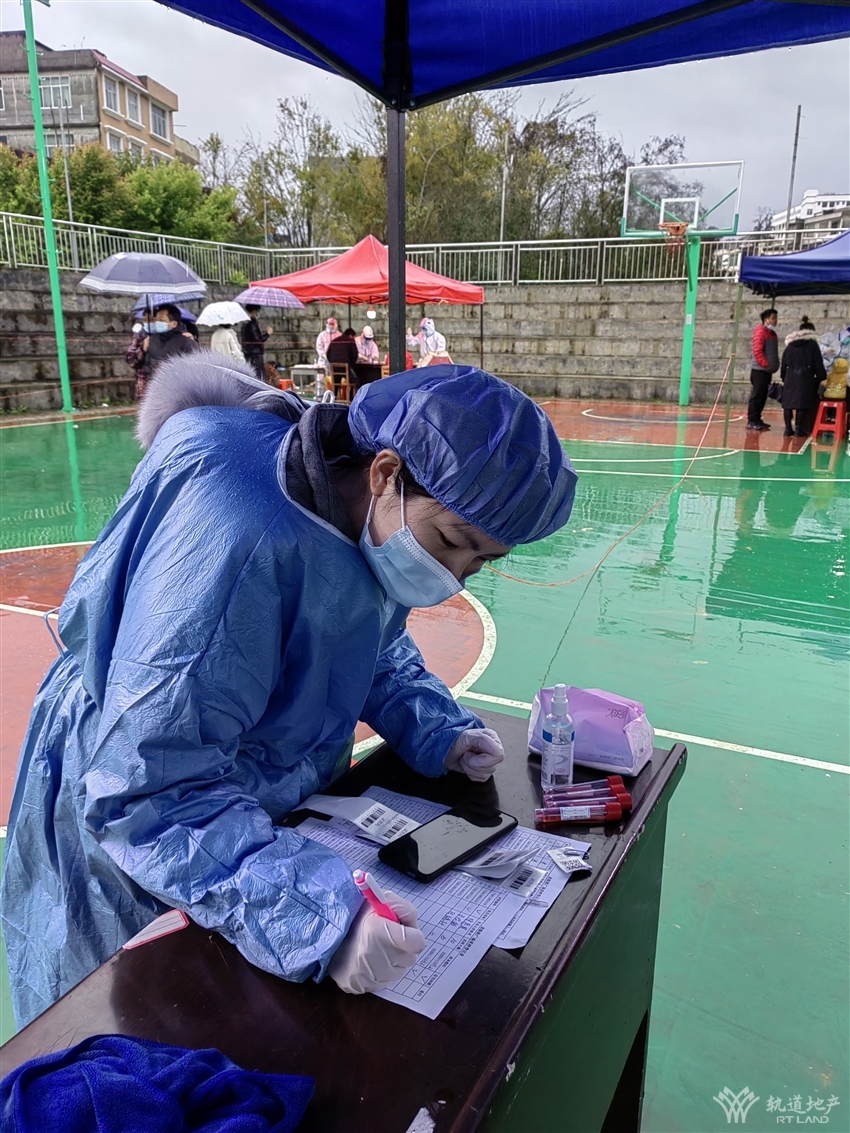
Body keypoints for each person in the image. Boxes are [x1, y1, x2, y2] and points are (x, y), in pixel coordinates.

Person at [1, 359, 577, 1028]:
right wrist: (318, 916)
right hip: (137, 783)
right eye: (452, 542)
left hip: (230, 789)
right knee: (128, 1022)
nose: (457, 574)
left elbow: (363, 642)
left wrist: (436, 726)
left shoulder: (354, 509)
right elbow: (150, 788)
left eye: (481, 561)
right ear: (385, 472)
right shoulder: (239, 537)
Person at [779, 317, 827, 437]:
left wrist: (783, 377)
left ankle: (787, 429)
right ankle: (798, 429)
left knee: (788, 404)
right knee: (802, 403)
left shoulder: (790, 346)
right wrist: (822, 377)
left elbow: (783, 364)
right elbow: (818, 363)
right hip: (805, 377)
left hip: (790, 376)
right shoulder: (812, 345)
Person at [747, 308, 779, 431]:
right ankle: (752, 420)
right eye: (773, 318)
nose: (775, 321)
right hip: (759, 371)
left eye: (776, 318)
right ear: (766, 320)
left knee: (763, 396)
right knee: (757, 395)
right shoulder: (761, 332)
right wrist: (766, 364)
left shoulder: (772, 334)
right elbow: (757, 351)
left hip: (767, 371)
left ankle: (757, 418)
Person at [240, 305, 274, 380]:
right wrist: (267, 334)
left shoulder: (245, 323)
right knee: (259, 376)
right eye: (257, 311)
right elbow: (258, 340)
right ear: (254, 311)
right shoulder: (251, 324)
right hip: (255, 354)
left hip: (248, 353)